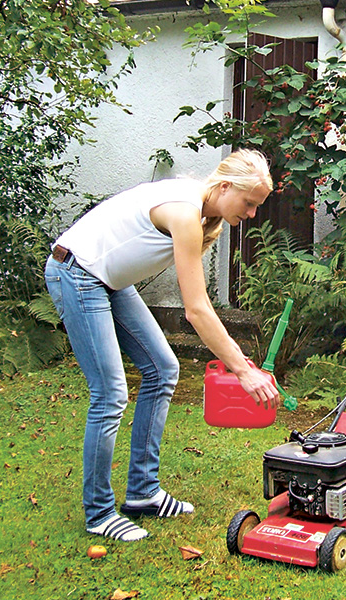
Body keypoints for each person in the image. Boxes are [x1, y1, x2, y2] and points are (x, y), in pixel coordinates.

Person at [44, 149, 280, 542]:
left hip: (107, 281)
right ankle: (100, 512)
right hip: (77, 273)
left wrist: (237, 358)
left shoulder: (203, 211)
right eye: (250, 203)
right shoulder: (185, 213)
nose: (252, 214)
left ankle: (142, 493)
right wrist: (242, 368)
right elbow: (197, 310)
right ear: (225, 186)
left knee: (163, 369)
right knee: (110, 394)